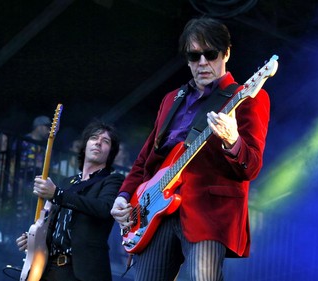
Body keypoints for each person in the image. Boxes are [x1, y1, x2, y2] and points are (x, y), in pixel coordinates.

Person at [110, 17, 271, 281]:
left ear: (226, 53)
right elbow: (145, 159)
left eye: (211, 54)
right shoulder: (172, 99)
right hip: (154, 213)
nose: (203, 63)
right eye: (195, 56)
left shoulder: (247, 97)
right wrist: (124, 195)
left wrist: (233, 140)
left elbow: (251, 165)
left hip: (209, 214)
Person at [16, 120, 125, 281]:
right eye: (94, 138)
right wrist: (33, 239)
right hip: (48, 267)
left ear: (111, 152)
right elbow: (53, 224)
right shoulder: (68, 182)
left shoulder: (112, 180)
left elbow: (104, 208)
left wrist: (57, 194)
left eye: (105, 141)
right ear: (85, 144)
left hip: (82, 271)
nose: (98, 143)